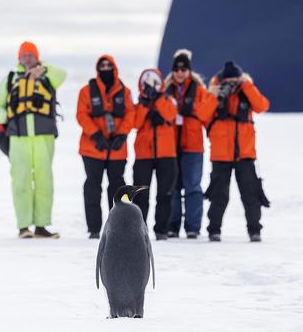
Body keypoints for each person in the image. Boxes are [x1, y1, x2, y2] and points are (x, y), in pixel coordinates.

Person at [0, 41, 67, 239]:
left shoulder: (48, 75)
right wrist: (5, 118)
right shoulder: (10, 78)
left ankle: (41, 226)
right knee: (21, 180)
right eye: (24, 55)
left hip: (44, 136)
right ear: (19, 58)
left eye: (30, 55)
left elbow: (63, 74)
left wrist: (43, 69)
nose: (27, 58)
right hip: (18, 137)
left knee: (44, 181)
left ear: (36, 57)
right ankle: (24, 226)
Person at [200, 61, 270, 242]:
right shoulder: (213, 92)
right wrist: (217, 94)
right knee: (219, 195)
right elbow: (202, 114)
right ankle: (214, 230)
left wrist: (246, 84)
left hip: (245, 154)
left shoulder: (246, 90)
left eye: (234, 80)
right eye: (228, 80)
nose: (231, 84)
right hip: (220, 154)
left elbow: (262, 106)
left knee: (251, 194)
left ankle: (255, 230)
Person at [77, 55, 135, 239]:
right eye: (102, 65)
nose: (105, 67)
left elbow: (130, 114)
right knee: (93, 186)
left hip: (117, 149)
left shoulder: (124, 92)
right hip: (93, 148)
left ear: (114, 67)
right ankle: (94, 230)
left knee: (117, 187)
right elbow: (82, 114)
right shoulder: (86, 91)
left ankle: (118, 227)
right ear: (97, 68)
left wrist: (122, 135)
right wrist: (95, 135)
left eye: (108, 65)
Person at [164, 49, 217, 239]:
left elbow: (206, 115)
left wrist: (191, 108)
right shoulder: (165, 89)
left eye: (184, 68)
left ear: (189, 70)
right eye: (177, 68)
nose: (180, 72)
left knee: (193, 187)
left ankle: (193, 227)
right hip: (169, 146)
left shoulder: (200, 90)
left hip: (193, 146)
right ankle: (173, 225)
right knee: (174, 187)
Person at [132, 69, 178, 240]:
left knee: (165, 194)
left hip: (166, 154)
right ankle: (139, 230)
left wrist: (157, 99)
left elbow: (170, 115)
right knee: (141, 194)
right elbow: (135, 124)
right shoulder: (138, 105)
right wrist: (144, 105)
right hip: (144, 155)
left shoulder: (169, 100)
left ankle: (161, 230)